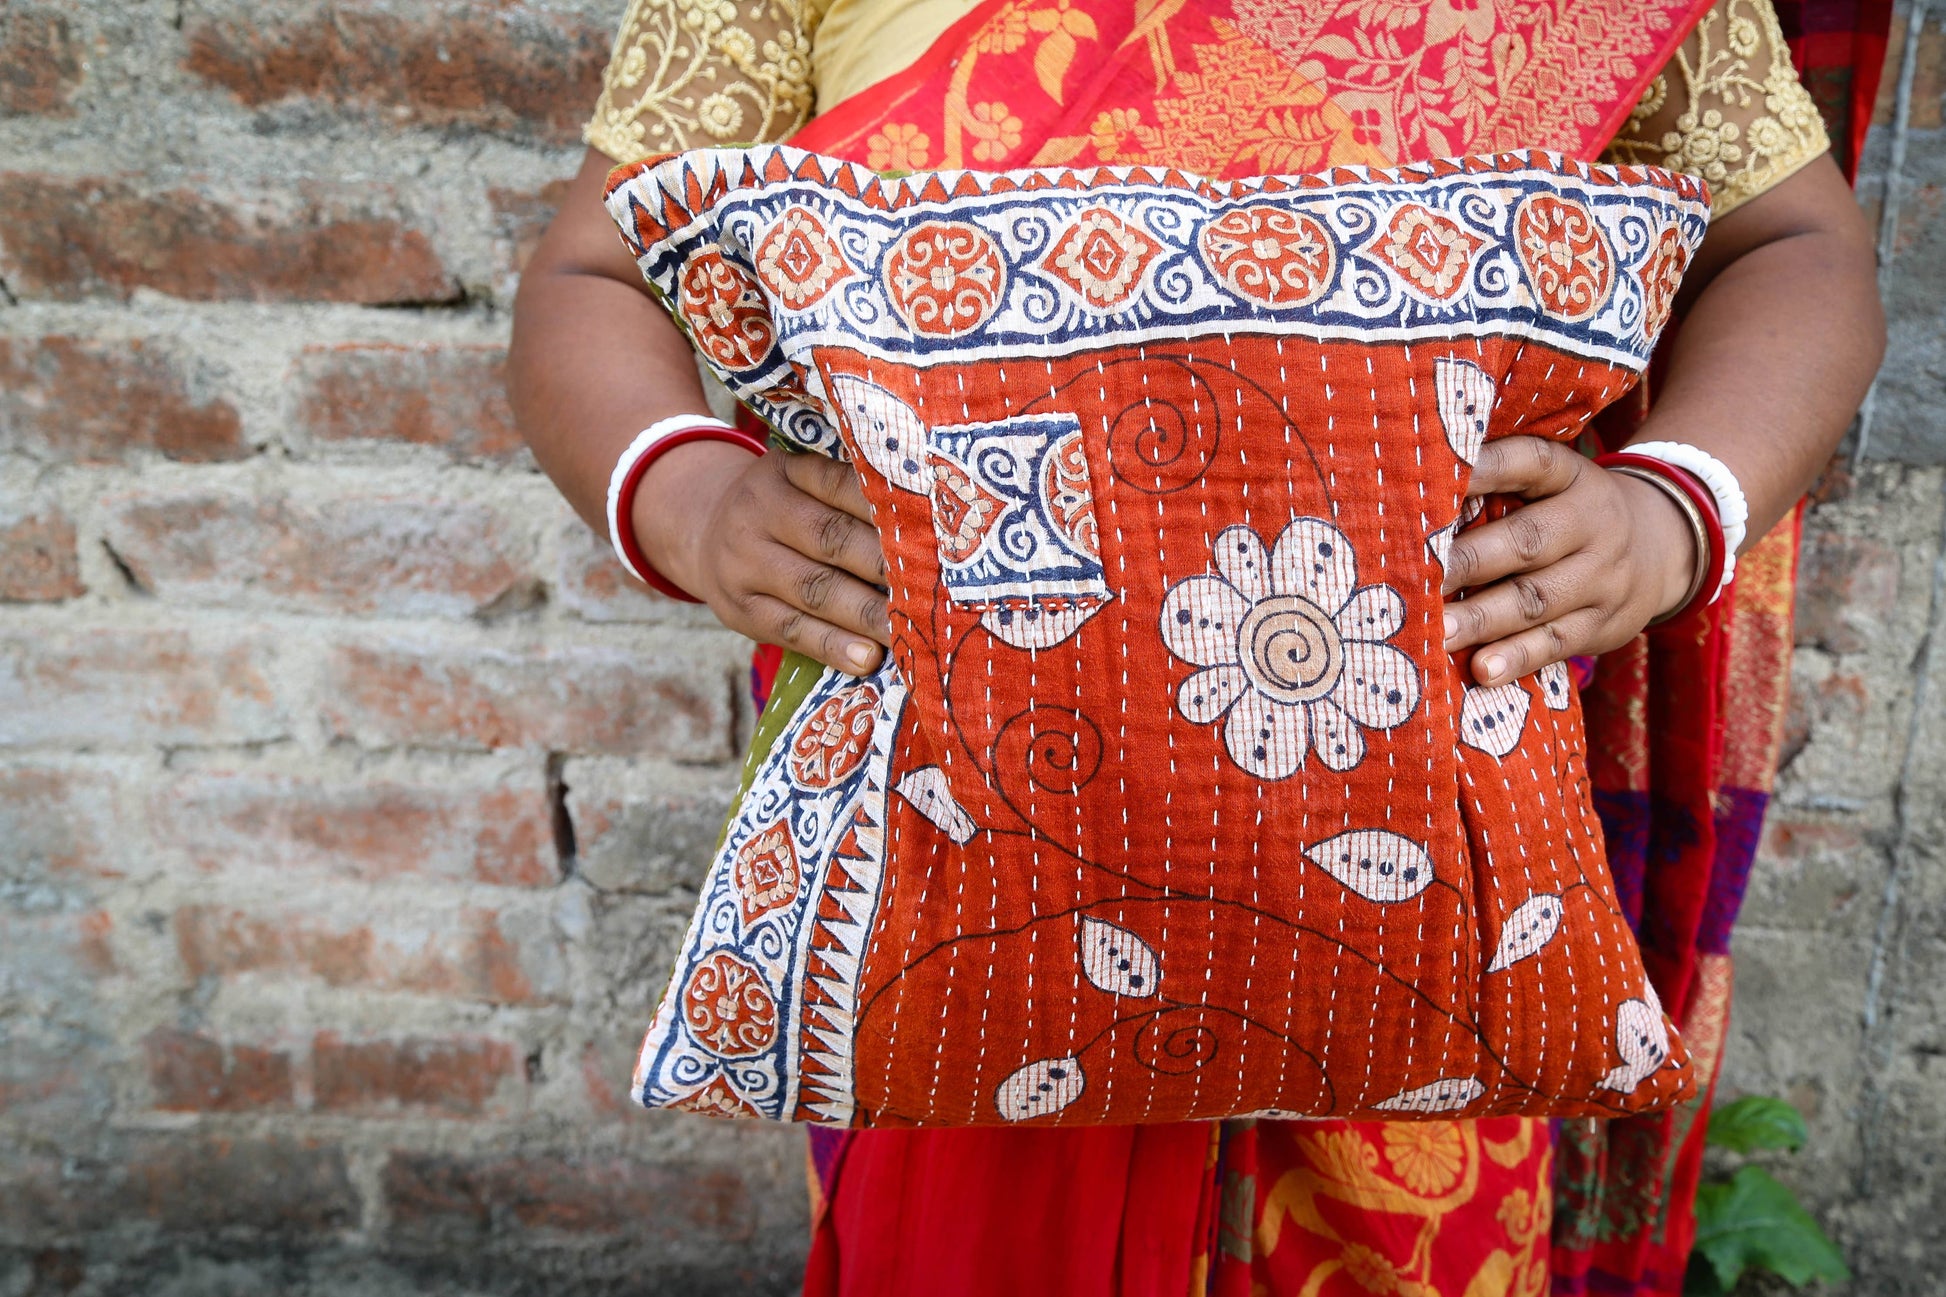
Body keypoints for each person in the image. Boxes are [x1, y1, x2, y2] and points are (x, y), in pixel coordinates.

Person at [509, 0, 1889, 1291]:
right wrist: (690, 502)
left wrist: (1667, 514)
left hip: (1424, 819)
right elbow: (595, 269)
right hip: (949, 823)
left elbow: (1789, 246)